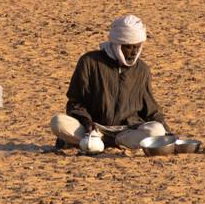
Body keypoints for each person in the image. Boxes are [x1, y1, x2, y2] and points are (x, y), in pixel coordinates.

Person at [50, 14, 168, 153]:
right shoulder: (89, 62)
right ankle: (90, 141)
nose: (133, 52)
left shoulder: (142, 69)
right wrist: (87, 123)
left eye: (137, 47)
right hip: (93, 129)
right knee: (58, 122)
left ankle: (95, 144)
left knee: (157, 131)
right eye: (129, 47)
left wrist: (167, 133)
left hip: (126, 132)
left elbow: (151, 110)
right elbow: (75, 102)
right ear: (117, 44)